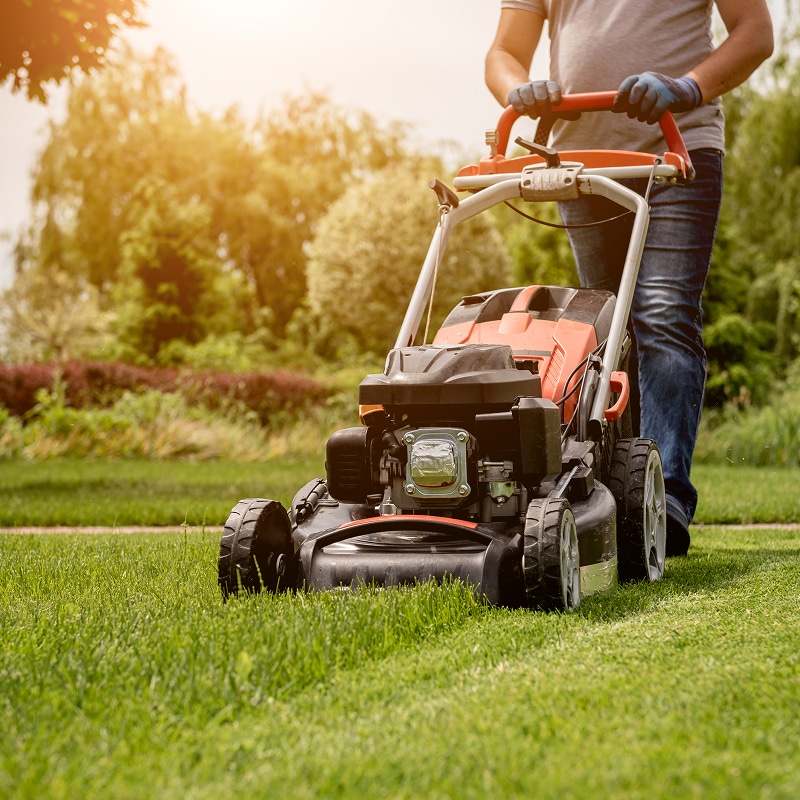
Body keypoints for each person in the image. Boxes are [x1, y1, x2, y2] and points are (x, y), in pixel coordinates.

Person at [486, 0, 773, 556]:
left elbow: (755, 33)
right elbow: (503, 52)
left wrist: (687, 88)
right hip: (583, 165)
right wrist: (518, 89)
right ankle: (622, 492)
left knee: (662, 313)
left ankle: (665, 501)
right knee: (611, 332)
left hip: (676, 148)